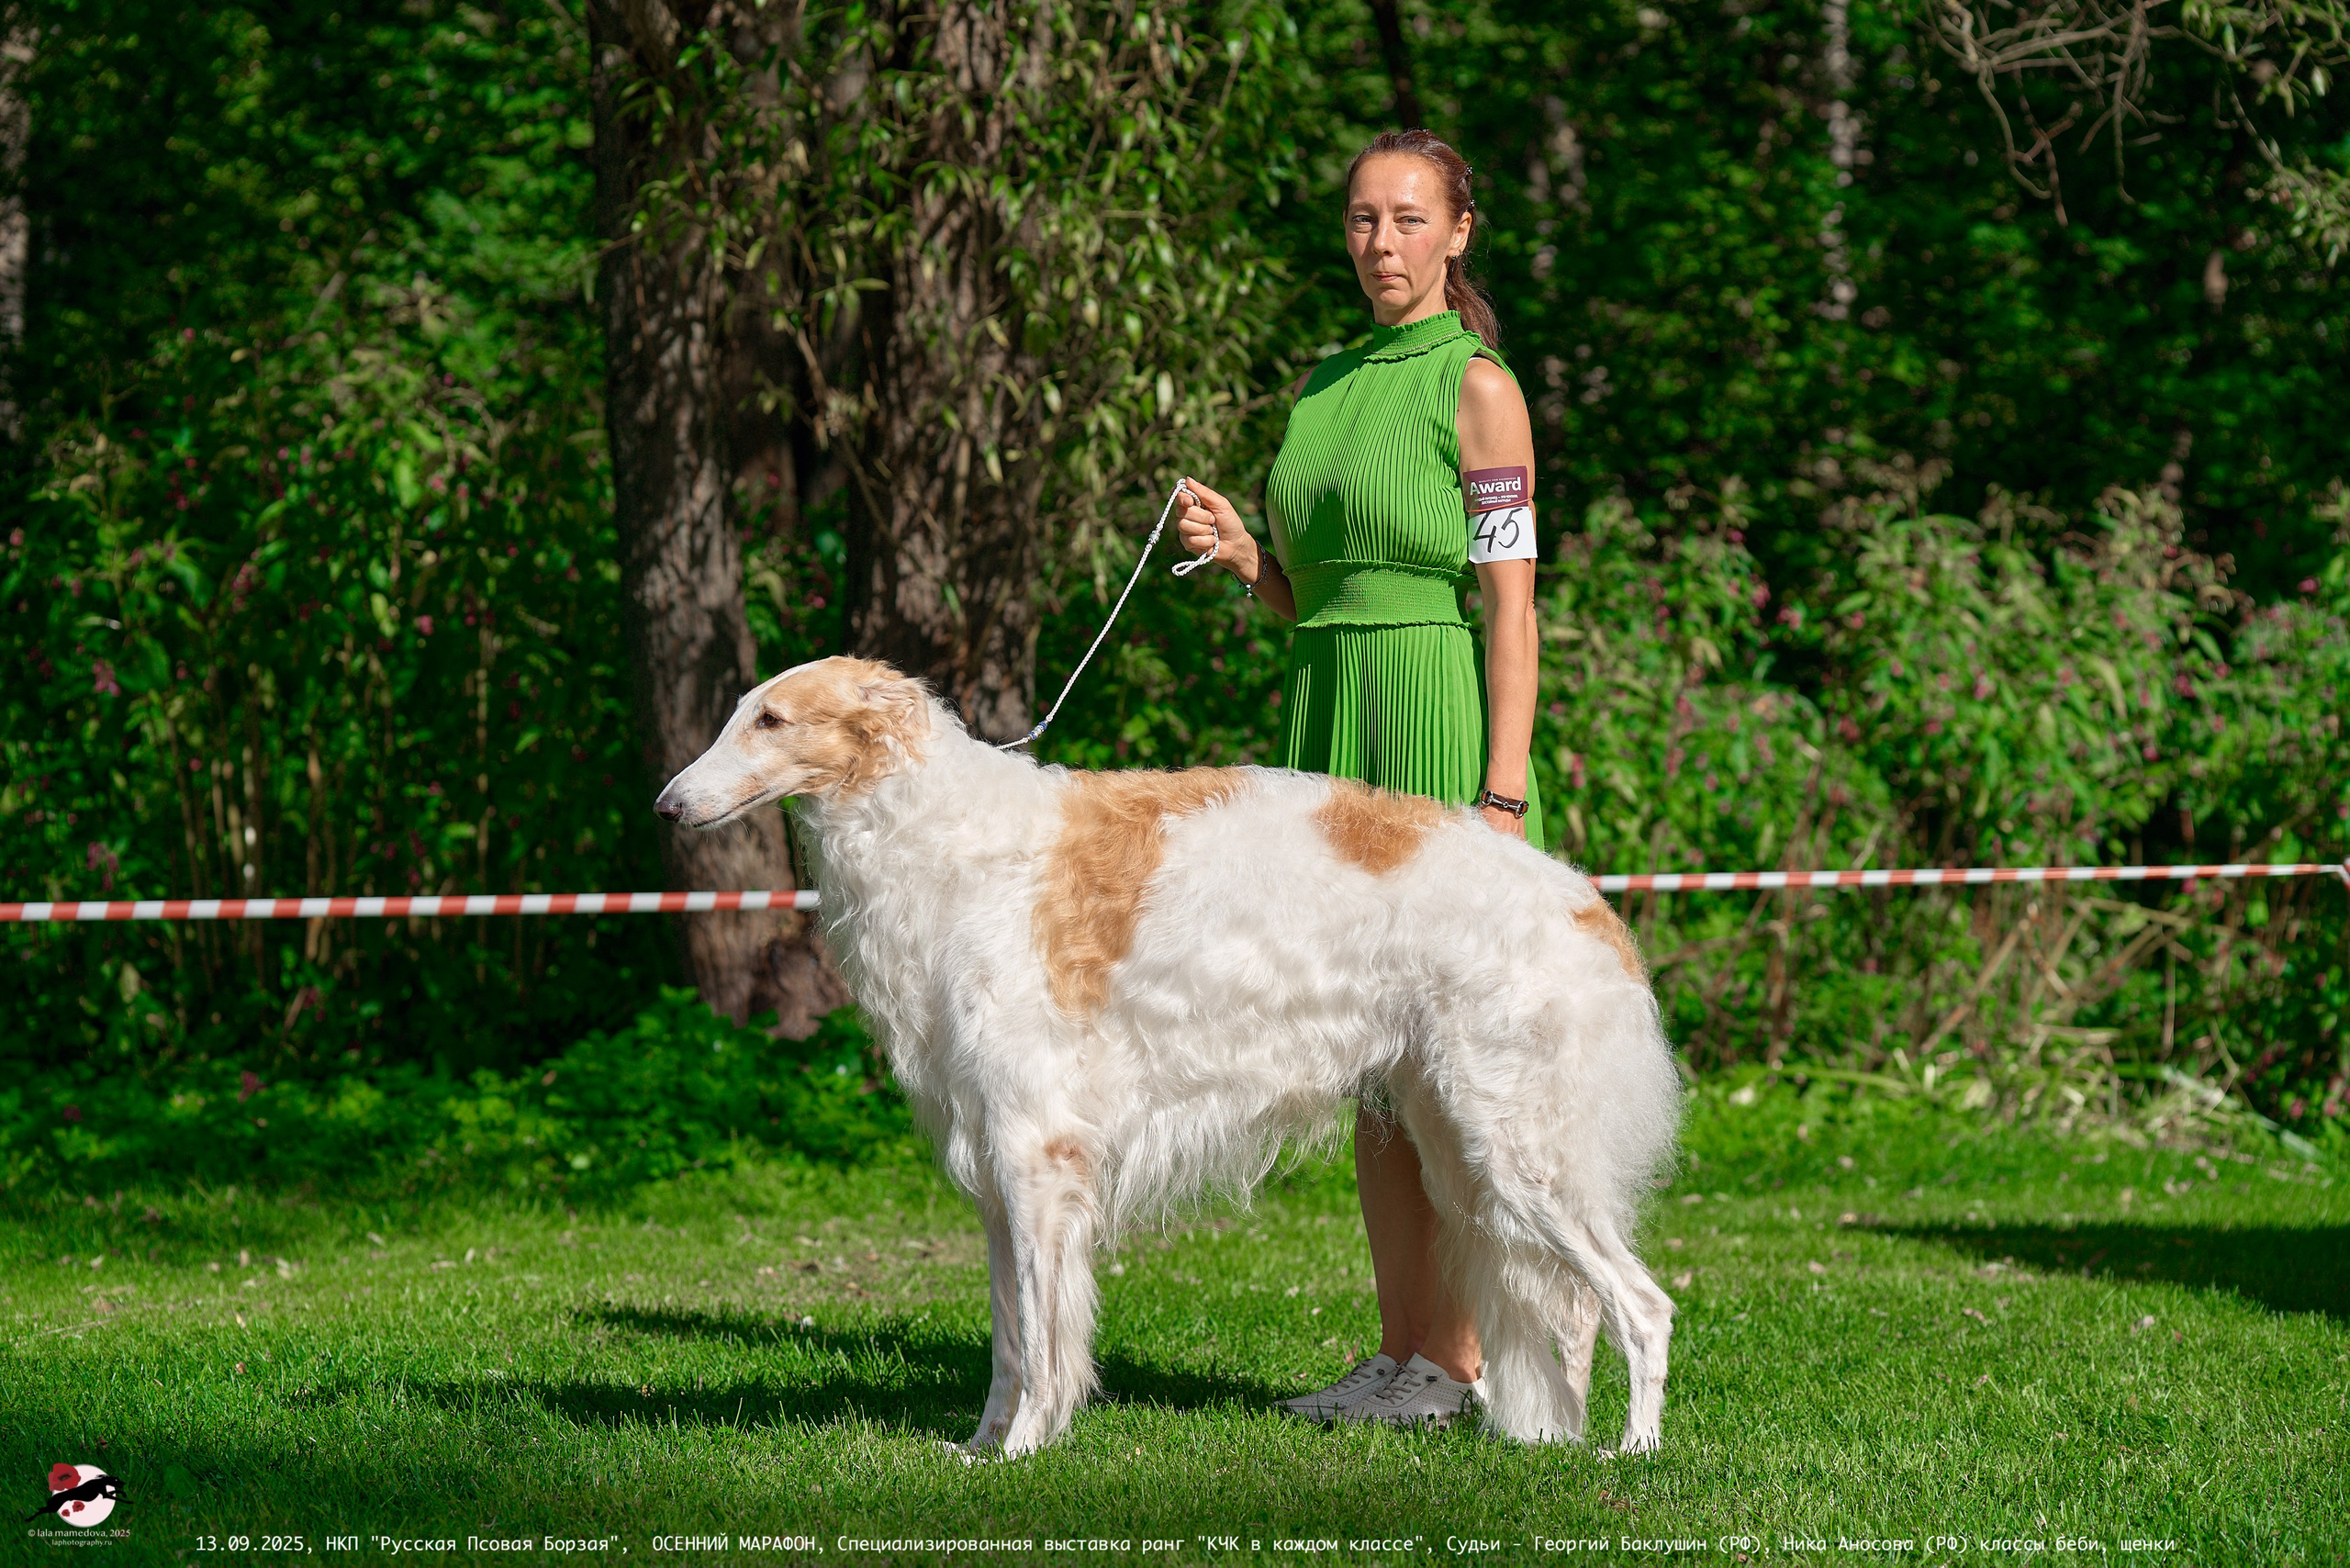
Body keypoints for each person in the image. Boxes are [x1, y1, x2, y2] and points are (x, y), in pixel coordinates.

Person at [1173, 128, 1544, 1428]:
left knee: (1449, 1065)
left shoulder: (1479, 386)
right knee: (1367, 1069)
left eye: (1406, 220)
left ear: (1457, 233)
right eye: (1360, 221)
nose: (1379, 244)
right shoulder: (1325, 385)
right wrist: (1242, 557)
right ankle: (1404, 1358)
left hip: (1437, 728)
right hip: (1327, 720)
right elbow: (1318, 601)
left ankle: (1465, 1363)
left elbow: (1508, 609)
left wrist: (1498, 799)